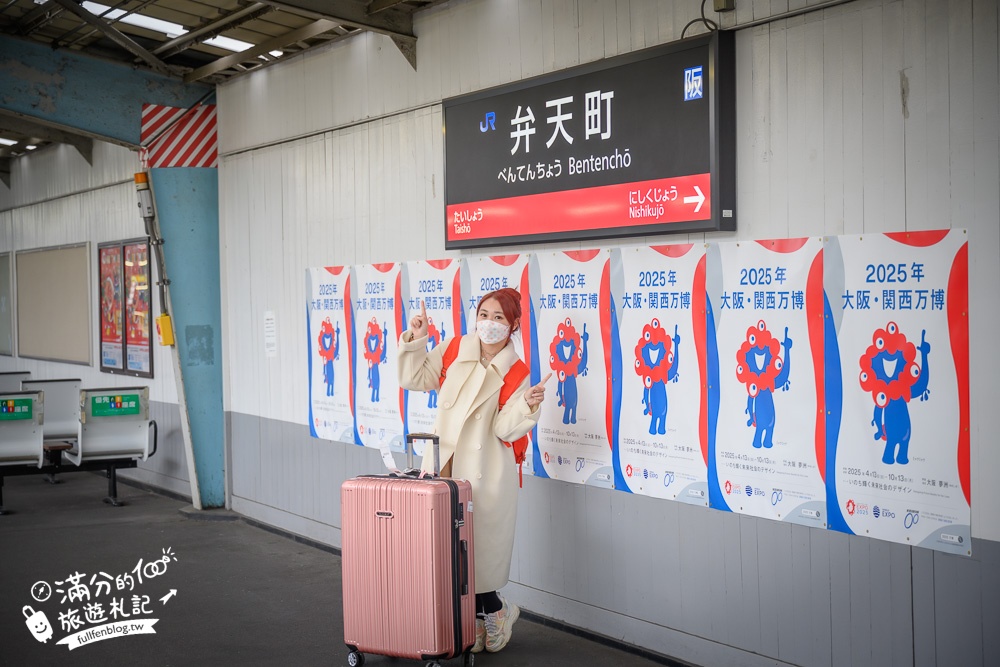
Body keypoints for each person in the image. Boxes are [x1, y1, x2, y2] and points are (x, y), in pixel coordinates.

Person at [397, 287, 551, 654]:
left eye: (499, 318)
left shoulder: (516, 372)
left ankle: (496, 612)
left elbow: (503, 430)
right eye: (484, 314)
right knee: (447, 553)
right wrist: (416, 340)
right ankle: (481, 625)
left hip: (485, 472)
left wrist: (528, 405)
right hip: (444, 466)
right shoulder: (454, 349)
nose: (489, 324)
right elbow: (413, 379)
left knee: (476, 557)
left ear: (514, 325)